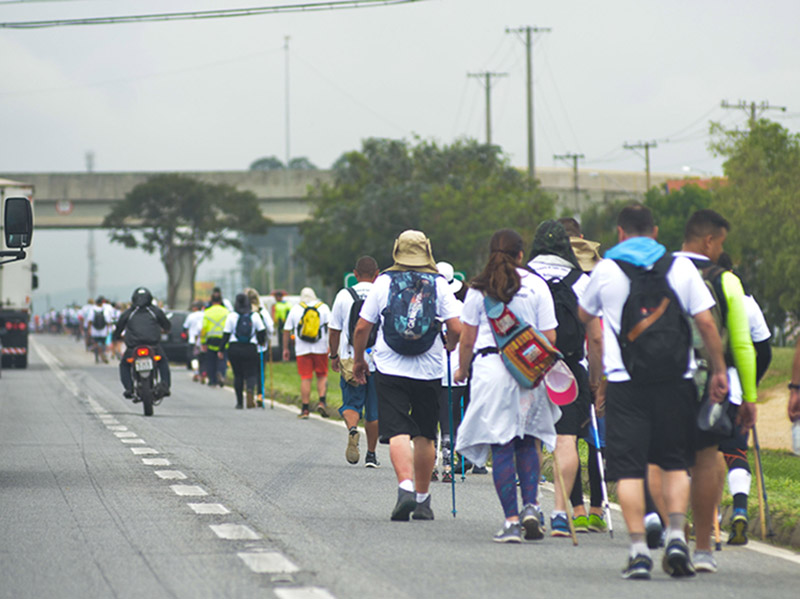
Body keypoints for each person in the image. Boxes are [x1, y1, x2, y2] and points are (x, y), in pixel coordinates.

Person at [578, 204, 728, 580]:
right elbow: (707, 325)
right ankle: (678, 536)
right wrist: (719, 371)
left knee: (629, 470)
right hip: (676, 380)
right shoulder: (679, 267)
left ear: (620, 233)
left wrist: (597, 376)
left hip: (626, 384)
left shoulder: (606, 269)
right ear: (656, 232)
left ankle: (639, 551)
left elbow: (584, 318)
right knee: (676, 462)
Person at [454, 229, 561, 542]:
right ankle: (531, 506)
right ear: (520, 255)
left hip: (491, 373)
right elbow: (550, 338)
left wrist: (462, 370)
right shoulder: (537, 285)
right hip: (529, 372)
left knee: (501, 444)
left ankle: (511, 521)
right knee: (527, 440)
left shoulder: (477, 290)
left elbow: (467, 339)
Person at [352, 230, 461, 522]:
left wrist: (360, 360)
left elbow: (362, 328)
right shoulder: (439, 283)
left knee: (397, 430)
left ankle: (405, 488)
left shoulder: (384, 282)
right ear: (427, 252)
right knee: (425, 433)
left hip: (390, 366)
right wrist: (449, 344)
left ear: (396, 251)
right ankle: (424, 502)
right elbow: (457, 327)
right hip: (429, 368)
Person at [673, 209, 757, 571]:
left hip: (661, 381)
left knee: (669, 460)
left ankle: (676, 531)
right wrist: (749, 393)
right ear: (709, 240)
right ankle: (705, 546)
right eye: (720, 242)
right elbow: (742, 343)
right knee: (708, 457)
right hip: (708, 383)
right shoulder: (725, 280)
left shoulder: (660, 270)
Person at [527, 220, 603, 537]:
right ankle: (561, 513)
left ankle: (531, 506)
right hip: (569, 369)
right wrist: (596, 379)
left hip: (528, 368)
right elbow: (596, 338)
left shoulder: (524, 278)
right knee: (566, 439)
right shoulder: (581, 281)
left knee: (531, 440)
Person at [717, 252, 772, 546]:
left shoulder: (697, 294)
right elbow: (764, 350)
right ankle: (739, 509)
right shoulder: (747, 302)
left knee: (702, 456)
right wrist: (752, 381)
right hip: (737, 392)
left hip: (702, 389)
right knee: (735, 452)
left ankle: (706, 519)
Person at [329, 256, 381, 467]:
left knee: (351, 403)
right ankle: (371, 454)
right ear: (377, 274)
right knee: (374, 410)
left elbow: (334, 330)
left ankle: (352, 430)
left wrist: (334, 355)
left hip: (350, 358)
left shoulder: (344, 295)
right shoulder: (381, 293)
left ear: (355, 274)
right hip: (378, 360)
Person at [433, 261, 473, 482]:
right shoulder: (460, 307)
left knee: (430, 418)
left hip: (429, 371)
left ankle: (430, 464)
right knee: (451, 419)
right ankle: (449, 464)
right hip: (455, 372)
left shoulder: (426, 304)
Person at [113, 287, 172, 399]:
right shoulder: (155, 311)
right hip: (153, 346)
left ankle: (129, 388)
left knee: (124, 365)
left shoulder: (129, 313)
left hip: (133, 347)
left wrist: (117, 336)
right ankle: (165, 385)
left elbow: (118, 328)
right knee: (163, 362)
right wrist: (165, 330)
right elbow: (166, 325)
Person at [283, 287, 331, 419]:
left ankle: (305, 409)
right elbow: (332, 327)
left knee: (306, 377)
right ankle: (322, 401)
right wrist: (331, 346)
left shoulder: (296, 309)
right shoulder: (323, 307)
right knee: (322, 375)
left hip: (302, 349)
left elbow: (287, 329)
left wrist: (285, 349)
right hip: (320, 347)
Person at [221, 293, 267, 409]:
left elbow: (226, 335)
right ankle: (250, 390)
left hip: (234, 348)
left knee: (238, 375)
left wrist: (221, 350)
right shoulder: (255, 316)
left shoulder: (231, 316)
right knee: (251, 373)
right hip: (250, 348)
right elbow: (262, 332)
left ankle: (239, 402)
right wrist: (261, 342)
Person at [245, 287, 275, 406]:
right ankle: (260, 395)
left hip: (247, 347)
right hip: (262, 347)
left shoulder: (244, 313)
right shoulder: (262, 312)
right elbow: (270, 327)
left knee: (250, 371)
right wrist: (267, 339)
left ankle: (249, 390)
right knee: (261, 372)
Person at [201, 291, 230, 387]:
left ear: (211, 300)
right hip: (223, 340)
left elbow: (204, 329)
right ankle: (221, 373)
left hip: (211, 340)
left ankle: (212, 380)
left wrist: (203, 342)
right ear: (221, 300)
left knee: (211, 361)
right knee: (222, 359)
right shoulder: (226, 312)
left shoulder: (207, 312)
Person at [183, 301, 205, 381]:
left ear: (195, 308)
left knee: (194, 358)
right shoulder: (205, 315)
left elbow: (185, 327)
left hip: (193, 341)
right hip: (203, 341)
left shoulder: (191, 316)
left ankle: (196, 372)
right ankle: (203, 373)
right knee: (203, 358)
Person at [88, 296, 114, 364]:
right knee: (103, 344)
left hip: (95, 330)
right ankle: (103, 354)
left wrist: (89, 329)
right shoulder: (105, 310)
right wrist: (108, 330)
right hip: (103, 330)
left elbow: (90, 321)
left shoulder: (92, 310)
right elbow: (108, 321)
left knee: (96, 343)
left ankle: (97, 356)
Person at [273, 290, 291, 361]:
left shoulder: (286, 304)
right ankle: (283, 356)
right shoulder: (277, 305)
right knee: (281, 341)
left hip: (285, 323)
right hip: (279, 324)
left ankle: (287, 356)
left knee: (285, 340)